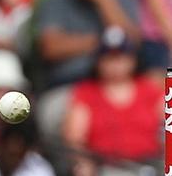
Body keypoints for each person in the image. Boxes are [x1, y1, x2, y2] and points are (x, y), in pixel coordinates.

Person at [61, 26, 163, 175]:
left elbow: (168, 128)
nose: (115, 64)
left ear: (133, 59)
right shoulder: (85, 93)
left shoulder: (150, 89)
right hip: (107, 169)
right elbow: (74, 139)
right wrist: (83, 165)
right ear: (98, 61)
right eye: (109, 58)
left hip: (150, 166)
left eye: (121, 57)